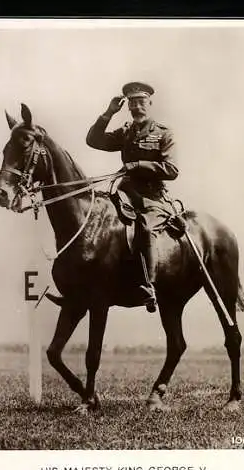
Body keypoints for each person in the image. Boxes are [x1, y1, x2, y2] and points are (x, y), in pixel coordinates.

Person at [86, 82, 179, 312]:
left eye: (141, 102)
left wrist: (138, 164)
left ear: (150, 103)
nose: (137, 107)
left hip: (153, 198)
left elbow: (171, 170)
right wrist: (108, 113)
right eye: (132, 103)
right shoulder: (126, 132)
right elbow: (94, 140)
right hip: (125, 193)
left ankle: (149, 286)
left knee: (145, 227)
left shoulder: (163, 133)